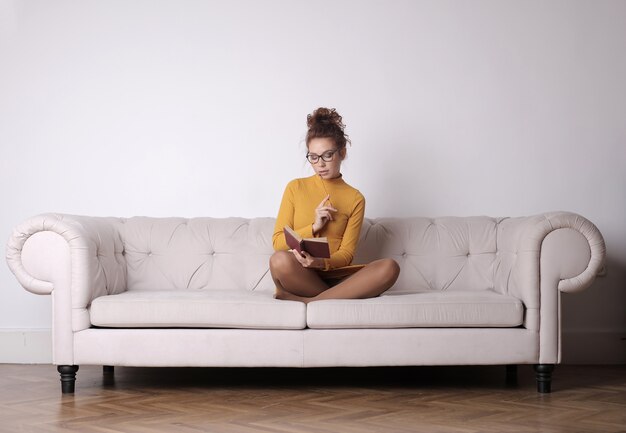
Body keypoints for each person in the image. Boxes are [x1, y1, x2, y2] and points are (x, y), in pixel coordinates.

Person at [270, 107, 400, 304]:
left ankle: (310, 301)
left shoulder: (355, 198)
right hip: (302, 274)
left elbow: (346, 255)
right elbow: (278, 242)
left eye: (327, 155)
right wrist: (313, 227)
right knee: (279, 260)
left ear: (342, 153)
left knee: (390, 267)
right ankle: (334, 299)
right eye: (313, 157)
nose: (320, 164)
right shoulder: (295, 188)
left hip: (338, 278)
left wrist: (320, 262)